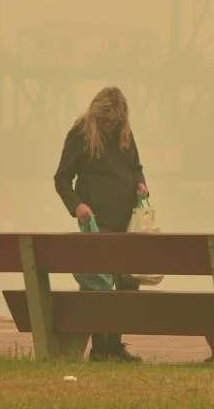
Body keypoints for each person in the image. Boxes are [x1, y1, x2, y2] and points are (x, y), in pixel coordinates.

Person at [53, 86, 149, 363]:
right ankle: (100, 349)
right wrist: (77, 206)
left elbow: (136, 167)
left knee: (126, 284)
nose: (109, 126)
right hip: (97, 222)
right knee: (99, 286)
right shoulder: (80, 135)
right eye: (105, 121)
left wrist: (142, 185)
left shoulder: (125, 135)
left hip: (126, 220)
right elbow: (62, 179)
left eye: (114, 122)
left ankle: (114, 346)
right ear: (96, 115)